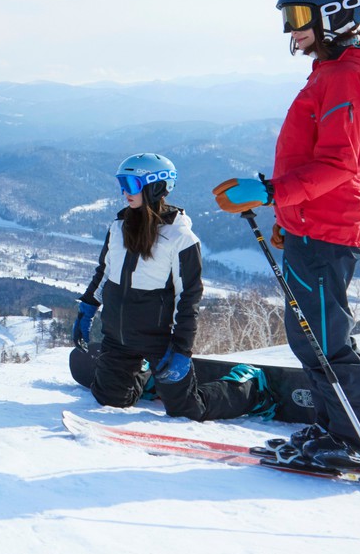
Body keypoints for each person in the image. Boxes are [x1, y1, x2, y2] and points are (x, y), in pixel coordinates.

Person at [212, 0, 360, 478]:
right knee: (310, 338)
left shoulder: (345, 77)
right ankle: (336, 430)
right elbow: (317, 161)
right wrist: (287, 213)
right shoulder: (332, 73)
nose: (290, 29)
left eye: (299, 16)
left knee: (327, 342)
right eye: (288, 17)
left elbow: (338, 165)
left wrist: (276, 194)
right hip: (313, 224)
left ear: (335, 15)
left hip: (327, 229)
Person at [69, 153, 260, 421]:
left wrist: (182, 349)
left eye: (132, 185)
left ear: (155, 187)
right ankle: (147, 376)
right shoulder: (118, 226)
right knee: (109, 400)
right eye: (122, 183)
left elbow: (189, 297)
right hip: (119, 338)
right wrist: (88, 306)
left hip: (161, 341)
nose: (125, 192)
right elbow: (104, 271)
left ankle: (249, 386)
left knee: (188, 410)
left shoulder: (181, 238)